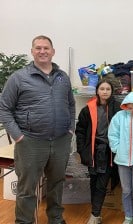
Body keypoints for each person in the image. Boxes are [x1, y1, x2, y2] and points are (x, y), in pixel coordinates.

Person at [0, 35, 76, 224]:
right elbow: (4, 108)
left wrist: (70, 130)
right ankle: (24, 222)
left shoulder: (62, 77)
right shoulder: (19, 78)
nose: (42, 51)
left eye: (46, 48)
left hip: (60, 141)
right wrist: (17, 136)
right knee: (27, 188)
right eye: (38, 48)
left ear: (53, 51)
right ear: (32, 51)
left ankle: (56, 219)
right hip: (30, 142)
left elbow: (71, 104)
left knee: (57, 183)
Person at [75, 79, 121, 224]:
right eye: (102, 89)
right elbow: (80, 130)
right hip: (92, 151)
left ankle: (95, 215)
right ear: (97, 91)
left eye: (108, 89)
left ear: (112, 91)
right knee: (93, 182)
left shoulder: (118, 109)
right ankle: (95, 212)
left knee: (102, 183)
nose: (105, 91)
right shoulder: (88, 109)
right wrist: (82, 149)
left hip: (108, 152)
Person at [108, 91, 133, 224]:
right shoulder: (119, 116)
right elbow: (113, 134)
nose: (132, 110)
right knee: (126, 190)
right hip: (122, 160)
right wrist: (117, 149)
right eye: (129, 107)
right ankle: (128, 216)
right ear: (125, 106)